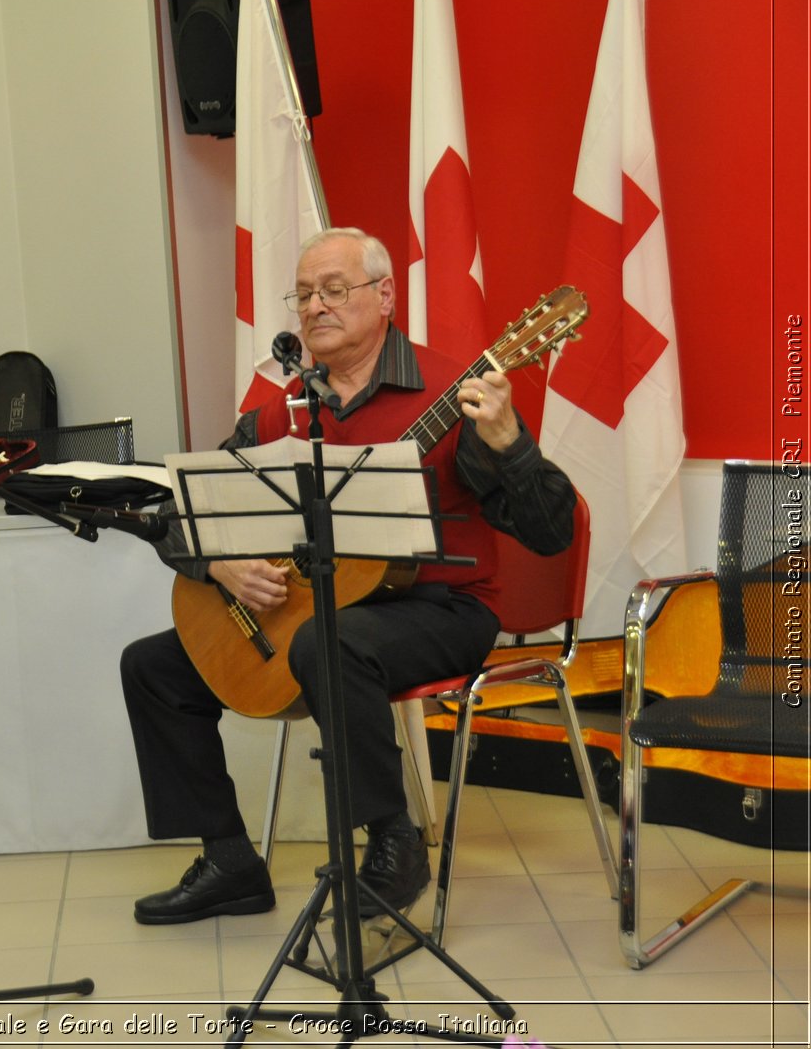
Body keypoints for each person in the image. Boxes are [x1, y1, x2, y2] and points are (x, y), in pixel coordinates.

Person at [122, 227, 577, 925]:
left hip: (442, 607)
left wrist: (510, 442)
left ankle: (394, 841)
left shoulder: (452, 395)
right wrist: (220, 562)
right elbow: (177, 513)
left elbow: (551, 532)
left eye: (334, 290)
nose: (315, 307)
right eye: (303, 295)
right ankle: (229, 860)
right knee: (152, 665)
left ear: (385, 295)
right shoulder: (282, 411)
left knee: (327, 642)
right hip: (319, 611)